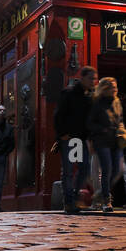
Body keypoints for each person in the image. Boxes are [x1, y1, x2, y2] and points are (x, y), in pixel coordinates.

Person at [55, 66, 95, 214]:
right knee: (68, 170)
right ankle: (69, 201)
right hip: (70, 138)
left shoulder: (89, 96)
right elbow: (59, 114)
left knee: (84, 168)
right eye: (91, 78)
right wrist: (62, 133)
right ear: (83, 77)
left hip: (81, 138)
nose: (93, 81)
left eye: (94, 78)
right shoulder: (69, 93)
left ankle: (74, 196)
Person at [86, 77, 125, 214]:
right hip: (100, 140)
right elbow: (90, 123)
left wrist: (122, 131)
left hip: (114, 140)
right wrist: (100, 130)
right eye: (112, 87)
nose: (115, 89)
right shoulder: (96, 103)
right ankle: (106, 200)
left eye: (116, 87)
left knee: (119, 169)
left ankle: (100, 194)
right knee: (104, 170)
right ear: (105, 88)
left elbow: (120, 119)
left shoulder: (116, 101)